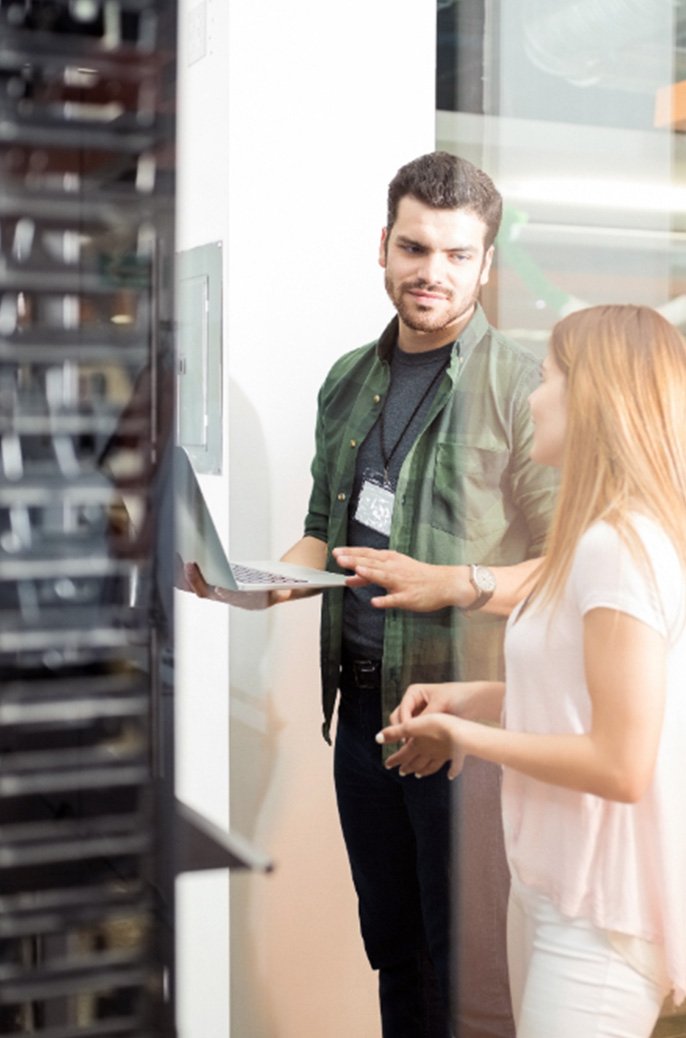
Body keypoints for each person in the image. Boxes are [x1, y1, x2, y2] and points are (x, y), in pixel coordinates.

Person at [185, 151, 558, 1037]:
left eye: (457, 255)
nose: (432, 272)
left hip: (463, 719)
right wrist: (261, 585)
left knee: (469, 970)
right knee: (394, 949)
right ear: (383, 246)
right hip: (361, 714)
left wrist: (458, 583)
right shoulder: (349, 378)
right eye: (415, 247)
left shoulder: (521, 388)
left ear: (486, 264)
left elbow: (565, 561)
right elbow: (326, 529)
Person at [378, 304, 686, 1038]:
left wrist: (468, 735)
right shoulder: (593, 541)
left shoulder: (621, 548)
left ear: (592, 400)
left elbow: (620, 762)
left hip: (598, 916)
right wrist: (479, 700)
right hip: (549, 885)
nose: (531, 397)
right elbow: (585, 697)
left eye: (546, 379)